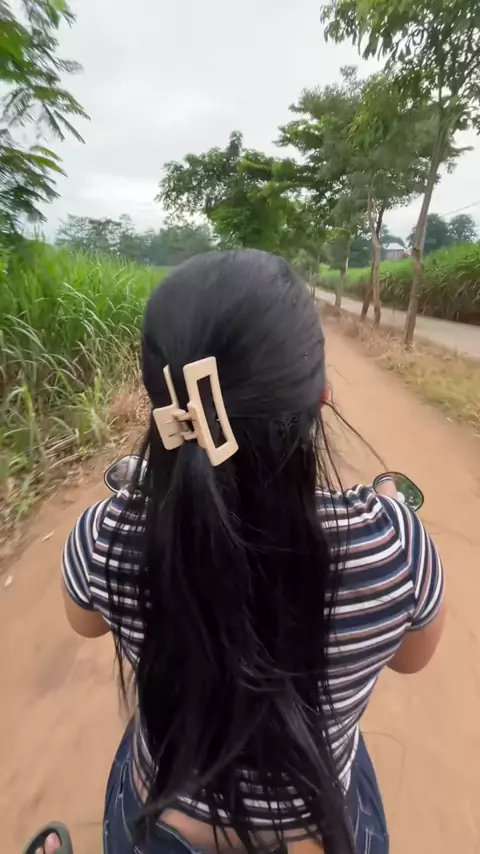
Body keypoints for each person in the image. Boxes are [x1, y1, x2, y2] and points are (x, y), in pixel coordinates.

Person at [29, 251, 444, 854]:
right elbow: (413, 658)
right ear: (321, 399)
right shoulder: (392, 542)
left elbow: (84, 622)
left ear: (161, 405)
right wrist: (389, 508)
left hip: (159, 831)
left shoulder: (106, 534)